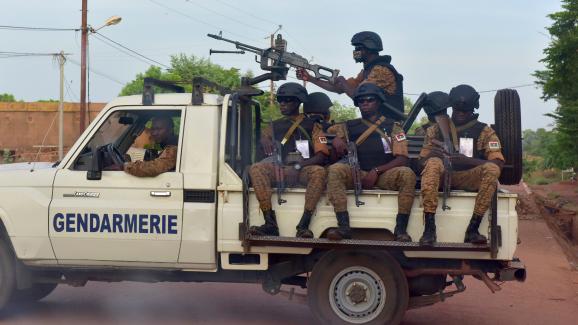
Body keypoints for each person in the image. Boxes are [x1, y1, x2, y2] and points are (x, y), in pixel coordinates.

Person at [325, 83, 416, 241]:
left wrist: (376, 171)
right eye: (361, 101)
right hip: (356, 172)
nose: (365, 103)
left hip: (383, 174)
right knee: (334, 170)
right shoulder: (347, 126)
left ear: (379, 102)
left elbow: (402, 158)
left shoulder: (393, 127)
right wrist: (335, 144)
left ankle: (400, 229)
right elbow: (331, 152)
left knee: (407, 174)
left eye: (370, 99)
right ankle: (343, 226)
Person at [418, 84, 505, 246]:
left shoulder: (484, 131)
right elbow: (420, 163)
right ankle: (429, 229)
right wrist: (432, 155)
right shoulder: (435, 130)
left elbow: (498, 162)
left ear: (473, 109)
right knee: (432, 163)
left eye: (465, 111)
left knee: (492, 169)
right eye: (457, 110)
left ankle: (473, 228)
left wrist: (468, 161)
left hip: (469, 177)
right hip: (442, 177)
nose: (460, 114)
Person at [249, 83, 330, 238]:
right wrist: (263, 139)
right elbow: (263, 138)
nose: (283, 104)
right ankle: (270, 223)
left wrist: (298, 167)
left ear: (298, 102)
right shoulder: (274, 125)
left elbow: (321, 156)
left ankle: (304, 225)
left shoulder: (313, 125)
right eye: (280, 100)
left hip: (303, 169)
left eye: (288, 100)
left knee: (319, 172)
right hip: (280, 169)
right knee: (256, 168)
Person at [296, 31, 405, 113]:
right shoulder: (367, 72)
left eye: (358, 48)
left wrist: (343, 82)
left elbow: (359, 96)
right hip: (375, 122)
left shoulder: (381, 70)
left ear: (368, 48)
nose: (355, 52)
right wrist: (310, 78)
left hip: (389, 124)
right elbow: (338, 89)